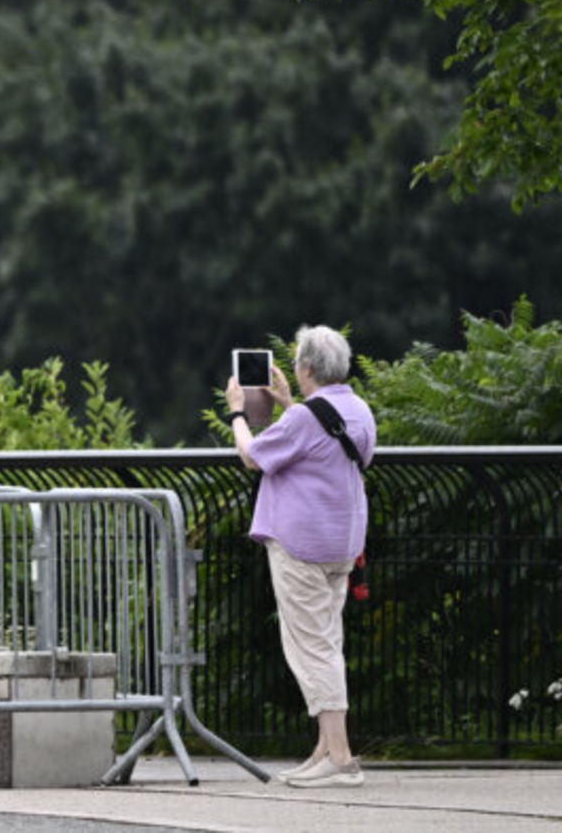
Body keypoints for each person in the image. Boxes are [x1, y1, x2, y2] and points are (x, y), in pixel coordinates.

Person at [226, 323, 376, 788]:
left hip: (301, 544)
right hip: (342, 542)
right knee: (327, 642)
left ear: (306, 367)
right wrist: (291, 405)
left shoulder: (305, 419)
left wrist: (238, 413)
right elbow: (327, 448)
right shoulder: (359, 409)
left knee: (313, 649)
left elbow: (253, 456)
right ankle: (324, 750)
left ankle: (341, 758)